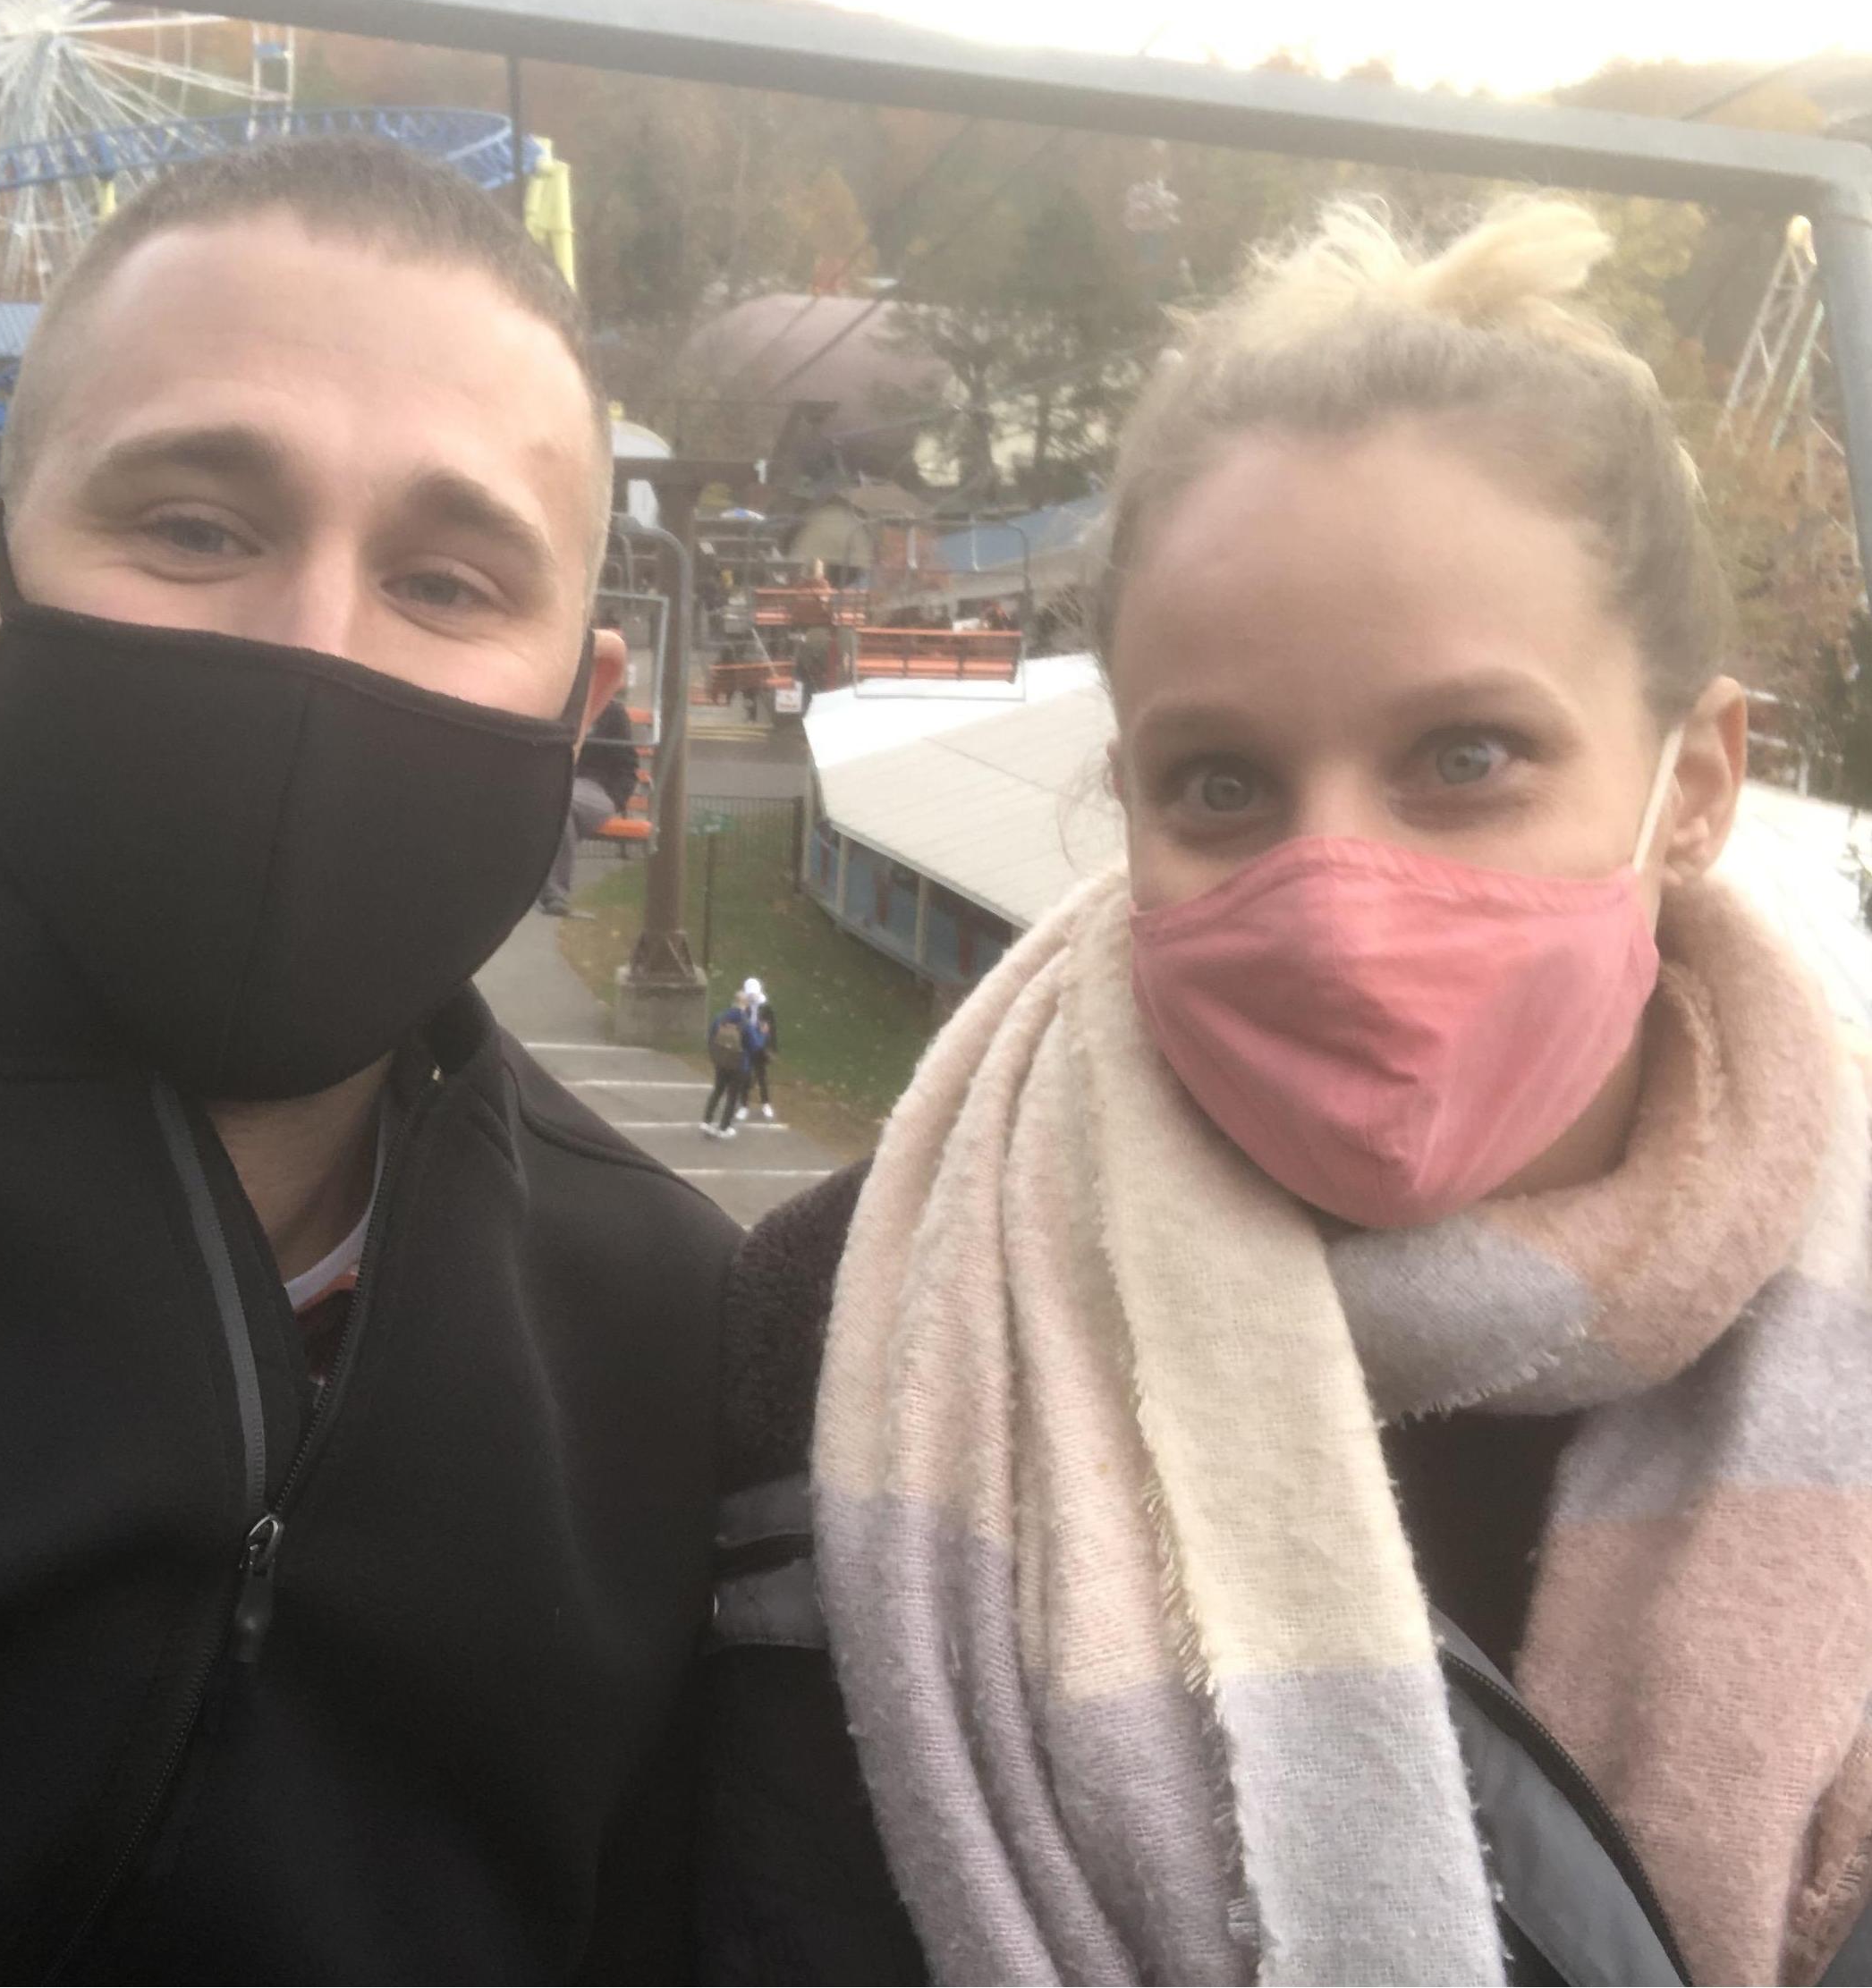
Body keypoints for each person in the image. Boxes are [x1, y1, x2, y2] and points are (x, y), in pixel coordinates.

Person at [697, 198, 1872, 1986]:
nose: (1333, 896)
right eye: (1226, 783)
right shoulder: (843, 1329)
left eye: (1466, 757)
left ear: (1697, 782)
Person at [0, 136, 738, 1982]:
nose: (313, 649)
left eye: (451, 581)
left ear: (584, 707)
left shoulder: (667, 1323)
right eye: (199, 529)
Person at [538, 684, 638, 915]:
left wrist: (617, 797)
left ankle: (554, 892)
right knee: (556, 807)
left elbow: (627, 765)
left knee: (563, 802)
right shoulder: (557, 707)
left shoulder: (611, 714)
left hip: (596, 788)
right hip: (557, 785)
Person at [701, 989, 757, 1139]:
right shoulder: (745, 1023)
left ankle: (707, 1120)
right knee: (732, 1096)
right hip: (738, 1064)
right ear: (745, 1004)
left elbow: (711, 1035)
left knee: (718, 1090)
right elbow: (753, 1045)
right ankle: (724, 1127)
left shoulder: (721, 1017)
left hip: (721, 1060)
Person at [740, 975, 777, 1119]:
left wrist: (771, 1048)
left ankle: (765, 1103)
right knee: (745, 1075)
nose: (752, 997)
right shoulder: (743, 1006)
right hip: (747, 1045)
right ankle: (743, 1105)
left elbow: (773, 1029)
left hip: (761, 1045)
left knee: (761, 1076)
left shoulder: (766, 1007)